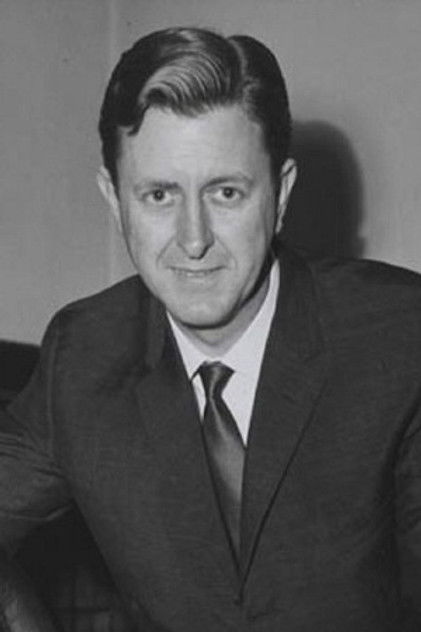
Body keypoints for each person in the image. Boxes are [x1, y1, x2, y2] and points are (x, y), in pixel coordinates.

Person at [2, 26, 421, 631]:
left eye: (225, 192)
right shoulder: (83, 354)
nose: (193, 239)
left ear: (280, 194)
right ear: (115, 201)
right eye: (159, 195)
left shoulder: (399, 338)